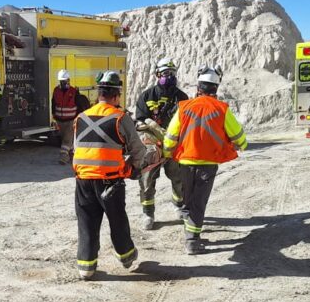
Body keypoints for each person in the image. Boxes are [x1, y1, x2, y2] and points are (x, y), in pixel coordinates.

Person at [72, 70, 158, 280]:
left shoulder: (81, 117)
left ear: (98, 93)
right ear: (116, 95)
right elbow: (138, 150)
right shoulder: (121, 118)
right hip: (109, 181)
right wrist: (135, 168)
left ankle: (86, 267)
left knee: (87, 222)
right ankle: (126, 257)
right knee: (117, 219)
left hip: (83, 180)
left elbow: (81, 148)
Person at [163, 65, 248, 255]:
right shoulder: (222, 109)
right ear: (215, 89)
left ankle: (190, 231)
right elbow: (238, 135)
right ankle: (192, 241)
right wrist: (243, 144)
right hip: (207, 165)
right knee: (199, 202)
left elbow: (171, 135)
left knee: (187, 199)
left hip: (185, 162)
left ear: (198, 87)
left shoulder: (184, 107)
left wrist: (167, 153)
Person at [135, 57, 189, 230]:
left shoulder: (182, 97)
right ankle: (148, 213)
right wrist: (152, 129)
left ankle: (178, 205)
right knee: (147, 180)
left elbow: (187, 122)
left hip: (174, 146)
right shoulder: (147, 96)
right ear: (157, 74)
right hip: (153, 146)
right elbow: (140, 123)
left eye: (172, 73)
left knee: (179, 177)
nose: (170, 76)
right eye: (166, 73)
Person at [51, 69, 79, 164]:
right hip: (59, 120)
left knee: (66, 140)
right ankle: (71, 156)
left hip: (71, 120)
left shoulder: (73, 91)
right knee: (66, 140)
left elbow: (79, 105)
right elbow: (53, 103)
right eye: (61, 81)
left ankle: (63, 158)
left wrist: (77, 118)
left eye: (64, 81)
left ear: (68, 80)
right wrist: (54, 116)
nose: (63, 83)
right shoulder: (56, 90)